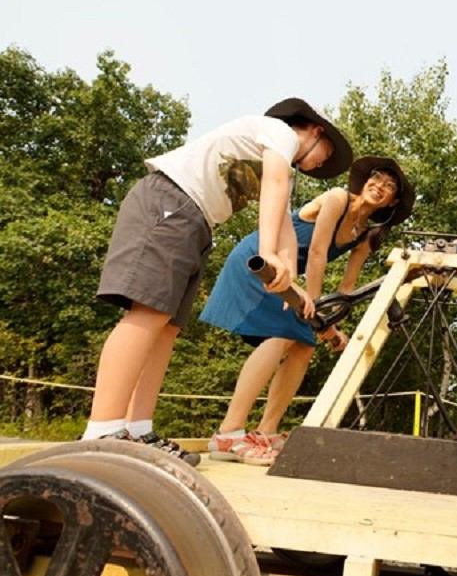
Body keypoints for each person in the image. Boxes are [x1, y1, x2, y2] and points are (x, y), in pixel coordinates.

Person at [81, 98, 352, 467]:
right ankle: (103, 429)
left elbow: (285, 223)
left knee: (165, 326)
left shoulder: (277, 164)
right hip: (171, 201)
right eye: (326, 154)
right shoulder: (279, 132)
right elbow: (274, 185)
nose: (322, 164)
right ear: (315, 130)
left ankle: (139, 429)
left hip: (197, 221)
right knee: (146, 315)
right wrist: (269, 251)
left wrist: (292, 276)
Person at [203, 157, 414, 465]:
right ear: (364, 181)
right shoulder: (336, 198)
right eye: (376, 179)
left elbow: (346, 291)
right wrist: (311, 307)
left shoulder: (366, 234)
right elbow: (316, 252)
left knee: (304, 344)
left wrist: (330, 325)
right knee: (282, 334)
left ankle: (266, 430)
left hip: (290, 280)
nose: (379, 186)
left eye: (389, 186)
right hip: (261, 260)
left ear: (392, 200)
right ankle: (228, 432)